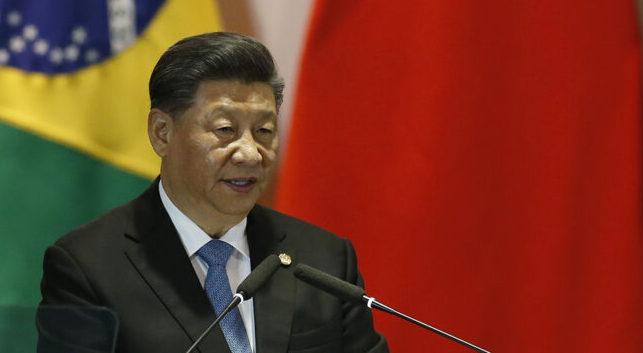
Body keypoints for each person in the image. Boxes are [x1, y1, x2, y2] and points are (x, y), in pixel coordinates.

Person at [40, 32, 389, 353]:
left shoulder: (325, 259)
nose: (251, 153)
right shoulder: (87, 268)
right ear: (162, 133)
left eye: (264, 131)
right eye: (225, 129)